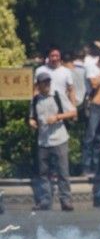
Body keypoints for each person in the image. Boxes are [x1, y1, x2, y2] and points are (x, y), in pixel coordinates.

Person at [28, 72, 77, 211]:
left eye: (48, 82)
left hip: (59, 138)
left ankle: (66, 200)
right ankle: (45, 200)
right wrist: (31, 121)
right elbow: (32, 116)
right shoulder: (35, 99)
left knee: (63, 172)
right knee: (43, 173)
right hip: (43, 140)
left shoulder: (57, 95)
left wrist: (57, 117)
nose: (47, 84)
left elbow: (73, 112)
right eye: (44, 82)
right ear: (38, 85)